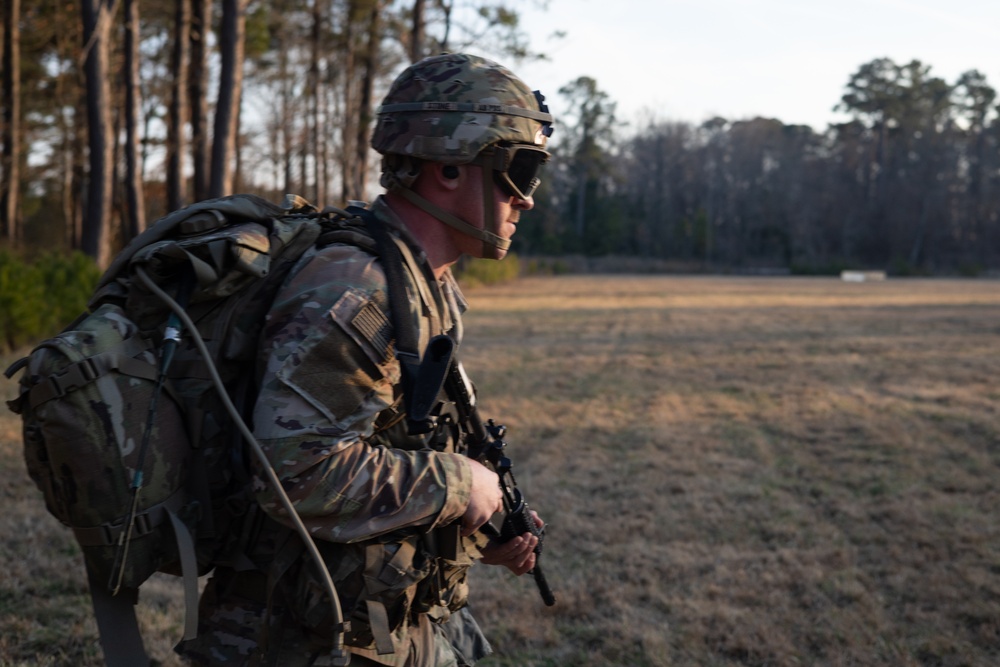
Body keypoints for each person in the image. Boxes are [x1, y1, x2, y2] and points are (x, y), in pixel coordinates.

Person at [177, 52, 554, 666]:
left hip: (374, 622)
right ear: (451, 168)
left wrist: (484, 520)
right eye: (520, 170)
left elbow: (396, 440)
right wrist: (461, 485)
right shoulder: (354, 287)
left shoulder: (422, 283)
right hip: (297, 637)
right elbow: (295, 474)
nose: (527, 199)